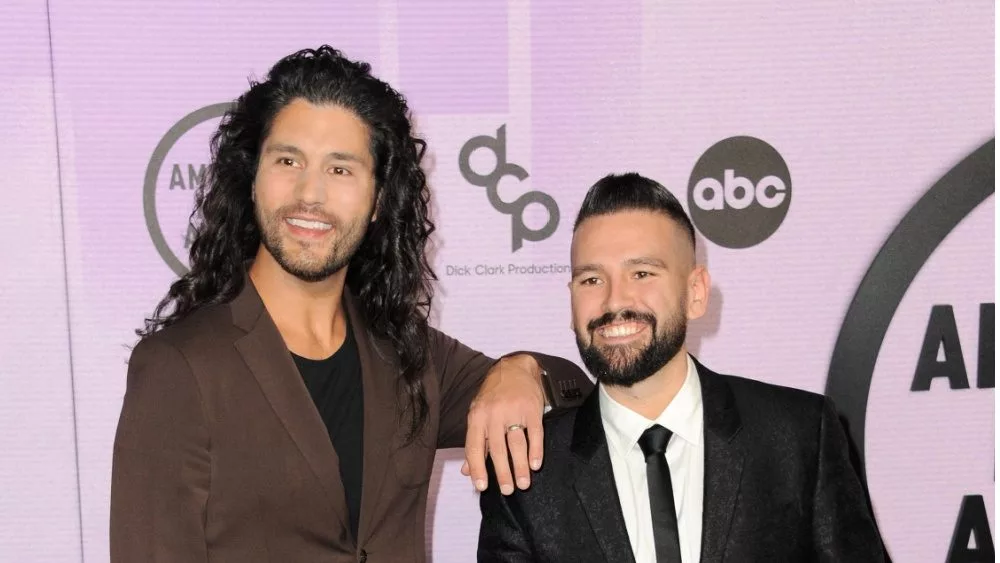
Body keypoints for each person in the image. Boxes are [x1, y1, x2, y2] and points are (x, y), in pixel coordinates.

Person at [110, 45, 588, 563]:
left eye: (340, 170)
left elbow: (576, 395)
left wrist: (521, 369)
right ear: (251, 180)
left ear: (379, 200)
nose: (309, 193)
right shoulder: (179, 368)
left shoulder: (407, 353)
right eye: (288, 160)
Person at [478, 173, 885, 562]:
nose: (614, 301)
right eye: (591, 280)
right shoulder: (526, 473)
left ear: (695, 292)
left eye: (642, 273)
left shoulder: (798, 437)